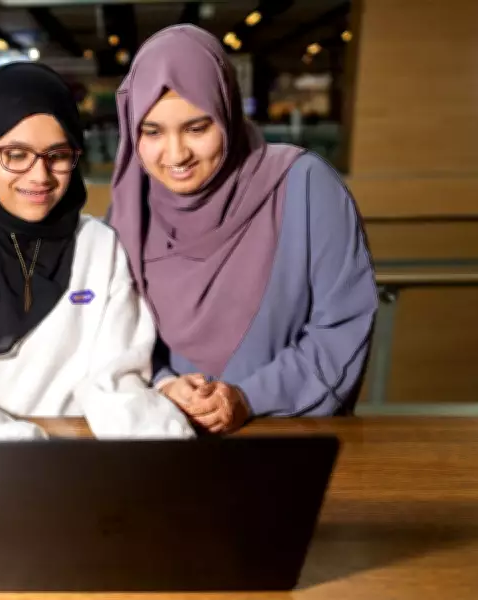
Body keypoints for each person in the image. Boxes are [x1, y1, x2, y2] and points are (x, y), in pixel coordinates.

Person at [0, 62, 193, 441]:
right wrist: (31, 454)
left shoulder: (98, 245)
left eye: (57, 155)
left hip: (78, 455)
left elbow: (116, 382)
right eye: (15, 154)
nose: (40, 176)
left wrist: (171, 451)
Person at [108, 25, 378, 433]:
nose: (176, 154)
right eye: (152, 131)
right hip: (165, 439)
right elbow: (116, 335)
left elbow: (342, 326)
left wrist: (249, 398)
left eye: (197, 128)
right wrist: (162, 384)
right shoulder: (129, 210)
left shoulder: (303, 185)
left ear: (227, 113)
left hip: (280, 436)